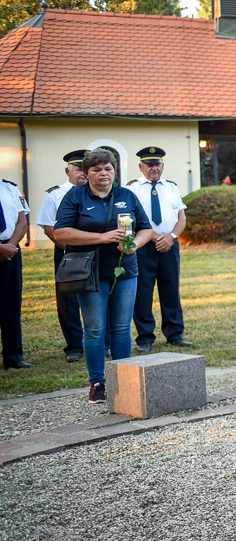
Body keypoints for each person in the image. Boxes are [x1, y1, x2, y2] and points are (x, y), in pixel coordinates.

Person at [54, 149, 154, 403]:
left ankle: (124, 381)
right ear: (86, 173)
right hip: (90, 273)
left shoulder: (126, 195)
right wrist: (101, 237)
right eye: (96, 170)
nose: (103, 174)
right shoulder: (75, 196)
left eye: (108, 169)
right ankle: (97, 383)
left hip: (124, 270)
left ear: (114, 171)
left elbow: (146, 229)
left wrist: (134, 245)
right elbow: (61, 233)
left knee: (121, 327)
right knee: (95, 328)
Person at [128, 146, 191, 352]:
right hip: (144, 246)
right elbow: (131, 219)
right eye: (149, 164)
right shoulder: (132, 189)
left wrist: (171, 237)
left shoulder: (172, 187)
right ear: (141, 167)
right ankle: (145, 337)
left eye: (157, 164)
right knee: (143, 291)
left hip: (170, 246)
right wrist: (155, 238)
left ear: (162, 166)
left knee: (171, 289)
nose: (154, 168)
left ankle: (174, 333)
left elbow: (181, 218)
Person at [36, 150, 89, 363]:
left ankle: (102, 342)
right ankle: (75, 345)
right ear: (68, 171)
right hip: (67, 252)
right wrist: (71, 249)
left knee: (99, 296)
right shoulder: (55, 194)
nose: (83, 173)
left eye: (86, 169)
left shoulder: (99, 192)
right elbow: (49, 228)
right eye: (79, 169)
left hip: (96, 250)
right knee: (68, 300)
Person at [0, 175, 30, 369]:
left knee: (11, 304)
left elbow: (22, 222)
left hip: (10, 252)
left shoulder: (10, 188)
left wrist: (10, 246)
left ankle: (13, 355)